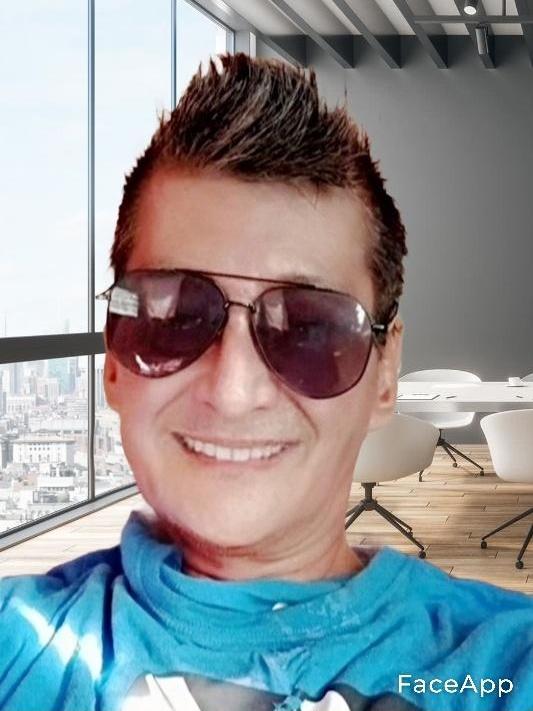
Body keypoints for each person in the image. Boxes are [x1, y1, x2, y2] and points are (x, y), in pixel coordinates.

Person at [0, 53, 532, 711]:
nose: (233, 389)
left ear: (383, 373)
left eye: (309, 327)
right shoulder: (17, 641)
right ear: (113, 357)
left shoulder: (506, 665)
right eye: (174, 316)